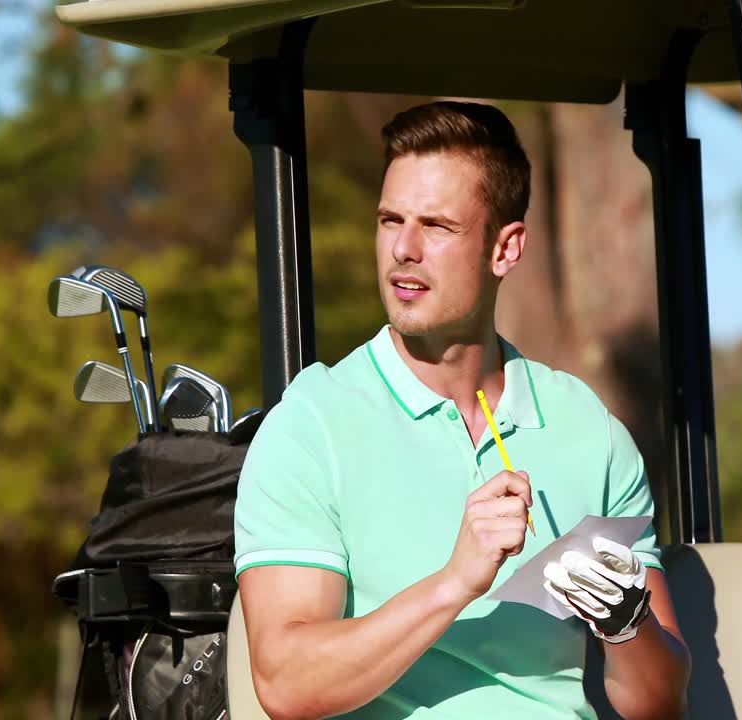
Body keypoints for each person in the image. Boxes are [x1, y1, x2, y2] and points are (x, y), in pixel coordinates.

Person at [233, 101, 690, 720]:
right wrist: (455, 582)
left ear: (505, 249)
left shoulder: (589, 431)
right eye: (390, 220)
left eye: (437, 226)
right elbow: (287, 683)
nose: (403, 249)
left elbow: (657, 705)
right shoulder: (312, 426)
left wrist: (626, 623)